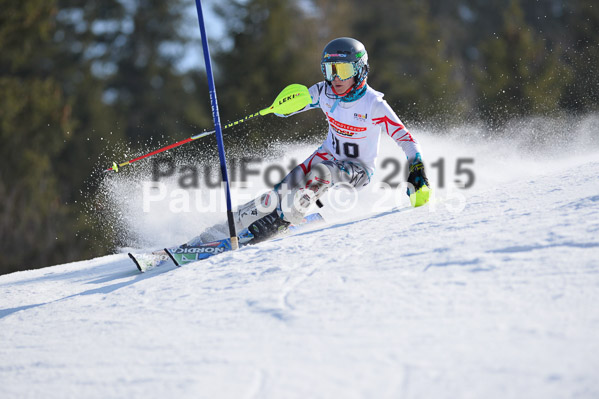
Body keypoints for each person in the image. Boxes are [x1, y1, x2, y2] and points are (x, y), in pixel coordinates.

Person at [196, 37, 430, 244]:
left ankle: (282, 221)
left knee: (321, 173)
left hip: (357, 170)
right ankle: (224, 229)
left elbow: (406, 139)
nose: (336, 78)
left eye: (344, 70)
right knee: (278, 192)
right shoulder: (324, 92)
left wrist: (417, 168)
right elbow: (295, 104)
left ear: (359, 71)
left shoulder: (374, 104)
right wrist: (281, 108)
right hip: (327, 154)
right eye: (329, 70)